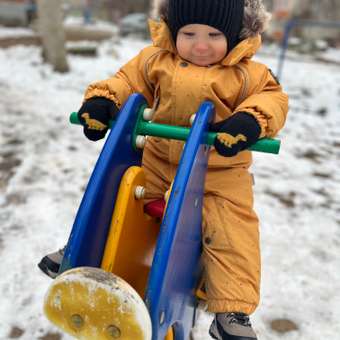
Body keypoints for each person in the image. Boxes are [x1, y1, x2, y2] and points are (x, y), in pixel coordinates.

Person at [39, 0, 288, 339]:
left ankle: (232, 309)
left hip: (217, 178)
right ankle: (79, 254)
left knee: (231, 230)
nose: (200, 45)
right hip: (157, 169)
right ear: (174, 30)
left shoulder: (248, 73)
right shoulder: (156, 60)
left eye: (214, 34)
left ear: (235, 34)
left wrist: (249, 122)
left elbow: (272, 100)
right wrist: (103, 101)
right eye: (189, 33)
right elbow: (125, 80)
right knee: (114, 195)